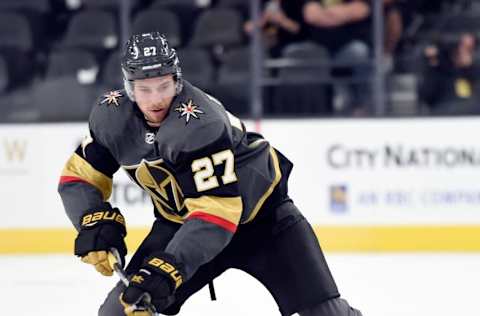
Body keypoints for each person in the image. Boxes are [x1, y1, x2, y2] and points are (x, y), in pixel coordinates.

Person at [58, 31, 362, 316]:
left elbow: (217, 213)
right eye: (144, 89)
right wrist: (91, 219)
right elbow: (78, 177)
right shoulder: (111, 117)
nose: (155, 99)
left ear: (177, 81)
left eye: (163, 85)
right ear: (128, 87)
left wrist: (171, 265)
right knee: (120, 311)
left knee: (326, 313)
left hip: (265, 224)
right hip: (184, 226)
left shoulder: (199, 123)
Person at [419, 33, 480, 115]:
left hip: (471, 117)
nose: (461, 53)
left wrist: (469, 68)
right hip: (444, 117)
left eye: (469, 49)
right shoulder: (438, 72)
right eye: (459, 48)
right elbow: (426, 96)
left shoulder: (474, 71)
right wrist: (434, 64)